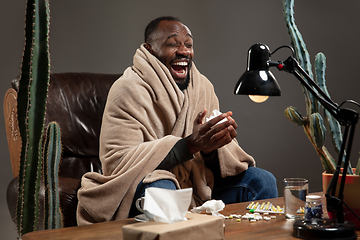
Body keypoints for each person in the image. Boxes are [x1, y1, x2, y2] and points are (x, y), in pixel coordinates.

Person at [77, 16, 278, 225]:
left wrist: (213, 147)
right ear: (150, 48)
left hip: (198, 187)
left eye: (188, 45)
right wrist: (190, 144)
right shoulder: (127, 89)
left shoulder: (202, 87)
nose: (184, 51)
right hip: (147, 188)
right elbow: (117, 162)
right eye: (173, 44)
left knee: (262, 181)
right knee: (164, 189)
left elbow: (221, 161)